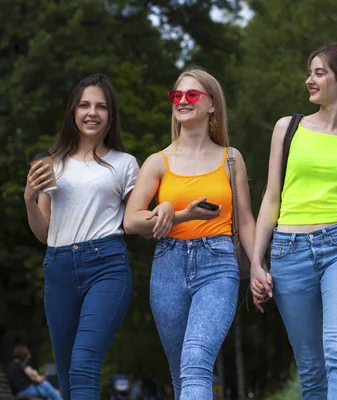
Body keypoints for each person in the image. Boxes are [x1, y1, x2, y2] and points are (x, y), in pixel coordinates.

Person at [250, 43, 337, 399]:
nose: (309, 80)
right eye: (310, 72)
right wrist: (255, 263)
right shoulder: (287, 127)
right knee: (311, 369)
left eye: (319, 73)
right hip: (288, 252)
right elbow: (271, 198)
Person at [123, 67, 256, 399]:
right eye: (176, 95)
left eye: (192, 94)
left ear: (212, 105)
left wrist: (259, 269)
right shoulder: (158, 161)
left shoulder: (232, 159)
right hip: (168, 265)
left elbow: (248, 222)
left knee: (196, 359)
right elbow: (131, 221)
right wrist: (179, 214)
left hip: (218, 263)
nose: (182, 101)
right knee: (182, 372)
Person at [24, 74, 139, 399]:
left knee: (83, 365)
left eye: (101, 106)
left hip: (106, 267)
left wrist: (172, 213)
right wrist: (29, 199)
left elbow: (137, 219)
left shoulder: (125, 164)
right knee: (65, 373)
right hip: (58, 267)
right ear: (73, 112)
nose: (92, 112)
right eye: (85, 105)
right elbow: (45, 233)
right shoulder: (53, 163)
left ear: (111, 115)